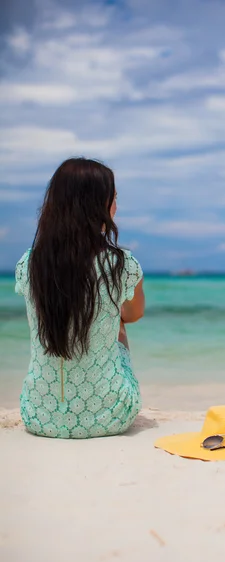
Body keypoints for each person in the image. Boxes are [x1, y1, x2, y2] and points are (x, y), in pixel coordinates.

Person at [14, 157, 145, 439]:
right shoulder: (122, 264)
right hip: (111, 416)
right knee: (118, 323)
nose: (116, 207)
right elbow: (134, 315)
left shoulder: (29, 263)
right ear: (97, 205)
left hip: (38, 414)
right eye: (113, 199)